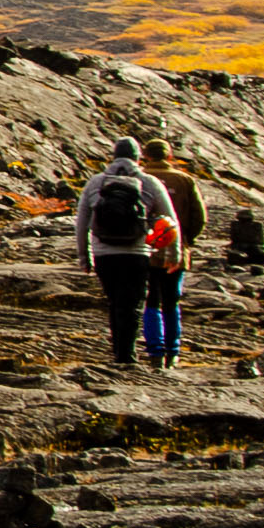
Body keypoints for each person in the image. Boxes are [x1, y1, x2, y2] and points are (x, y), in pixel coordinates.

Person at [74, 139, 172, 373]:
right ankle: (127, 356)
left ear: (113, 156)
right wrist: (171, 253)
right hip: (136, 252)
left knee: (115, 302)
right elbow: (170, 221)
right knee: (133, 304)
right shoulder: (149, 182)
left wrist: (84, 256)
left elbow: (81, 223)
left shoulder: (96, 182)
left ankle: (120, 351)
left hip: (103, 253)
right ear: (139, 157)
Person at [137, 140, 209, 370]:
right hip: (177, 249)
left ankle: (155, 351)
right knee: (171, 301)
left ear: (145, 156)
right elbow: (200, 218)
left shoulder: (137, 179)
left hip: (144, 248)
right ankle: (173, 351)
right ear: (169, 156)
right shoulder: (185, 180)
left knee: (150, 300)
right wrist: (187, 240)